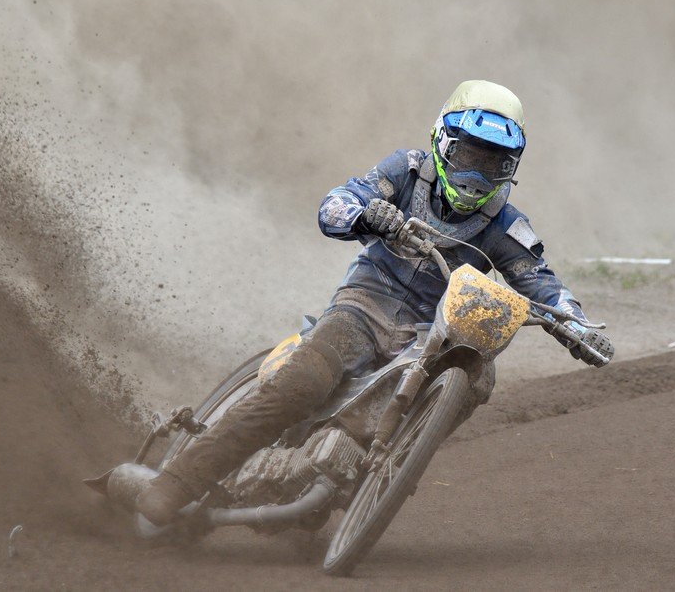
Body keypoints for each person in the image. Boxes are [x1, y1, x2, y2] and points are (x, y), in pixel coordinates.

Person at [137, 80, 614, 526]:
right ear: (442, 143)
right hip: (363, 308)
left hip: (432, 333)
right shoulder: (402, 172)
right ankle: (177, 483)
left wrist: (576, 324)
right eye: (468, 154)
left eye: (492, 164)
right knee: (302, 382)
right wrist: (369, 215)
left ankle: (379, 465)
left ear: (510, 168)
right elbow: (334, 205)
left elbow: (540, 282)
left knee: (478, 373)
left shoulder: (506, 224)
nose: (475, 174)